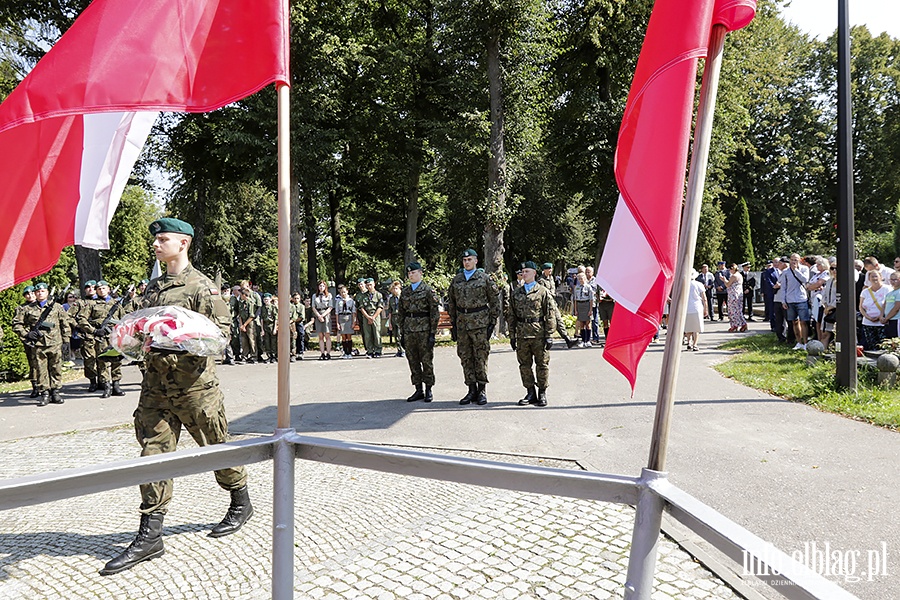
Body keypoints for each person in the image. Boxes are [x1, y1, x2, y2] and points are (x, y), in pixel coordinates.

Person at [99, 218, 252, 576]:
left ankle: (240, 501)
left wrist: (177, 337)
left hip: (195, 388)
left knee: (216, 448)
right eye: (155, 238)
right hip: (155, 387)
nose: (155, 243)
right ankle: (151, 534)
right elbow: (140, 328)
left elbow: (221, 337)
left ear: (183, 243)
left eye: (162, 238)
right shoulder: (152, 289)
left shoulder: (203, 287)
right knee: (152, 456)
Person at [447, 249, 499, 406]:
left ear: (476, 261)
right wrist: (454, 324)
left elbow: (495, 301)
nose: (466, 262)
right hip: (462, 324)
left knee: (480, 356)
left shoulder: (484, 279)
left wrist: (491, 323)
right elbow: (451, 303)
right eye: (464, 260)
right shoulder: (457, 280)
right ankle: (471, 389)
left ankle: (482, 390)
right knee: (465, 357)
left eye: (469, 259)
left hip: (479, 324)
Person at [13, 282, 69, 405]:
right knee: (40, 369)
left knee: (56, 368)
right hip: (38, 344)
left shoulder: (57, 307)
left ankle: (55, 392)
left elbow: (65, 324)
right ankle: (45, 393)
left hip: (55, 342)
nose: (40, 293)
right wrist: (27, 334)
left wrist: (66, 341)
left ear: (47, 292)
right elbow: (17, 324)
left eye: (42, 291)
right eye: (37, 292)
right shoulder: (27, 308)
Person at [508, 262, 555, 407]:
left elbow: (550, 313)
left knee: (542, 365)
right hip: (522, 335)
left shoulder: (542, 291)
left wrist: (549, 334)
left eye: (527, 271)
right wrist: (512, 336)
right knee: (524, 365)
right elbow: (511, 315)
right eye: (522, 271)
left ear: (534, 273)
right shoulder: (516, 293)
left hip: (539, 334)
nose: (524, 274)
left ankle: (542, 392)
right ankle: (530, 392)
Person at [398, 261, 439, 402]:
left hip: (424, 330)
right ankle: (418, 389)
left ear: (420, 273)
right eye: (409, 273)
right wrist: (402, 333)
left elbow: (434, 313)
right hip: (409, 330)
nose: (411, 275)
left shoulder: (428, 291)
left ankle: (429, 389)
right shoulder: (405, 292)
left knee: (426, 360)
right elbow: (401, 313)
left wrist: (432, 334)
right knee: (412, 360)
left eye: (413, 273)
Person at [79, 280, 126, 398]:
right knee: (103, 361)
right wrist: (93, 331)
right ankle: (106, 386)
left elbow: (124, 319)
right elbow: (81, 319)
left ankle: (116, 384)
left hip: (115, 335)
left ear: (109, 289)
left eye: (104, 288)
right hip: (100, 337)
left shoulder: (116, 304)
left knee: (117, 359)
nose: (101, 290)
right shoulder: (91, 304)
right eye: (99, 289)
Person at [537, 262, 578, 348]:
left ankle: (567, 339)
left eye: (551, 269)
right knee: (549, 322)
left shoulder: (551, 278)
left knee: (559, 320)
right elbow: (543, 293)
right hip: (546, 304)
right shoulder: (541, 280)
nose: (550, 270)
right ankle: (547, 339)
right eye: (548, 269)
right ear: (544, 270)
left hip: (553, 303)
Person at [779, 254, 810, 350]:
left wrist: (796, 270)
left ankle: (805, 342)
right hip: (790, 299)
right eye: (792, 260)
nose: (793, 262)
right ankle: (799, 342)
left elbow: (805, 279)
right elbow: (783, 287)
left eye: (795, 260)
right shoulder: (786, 272)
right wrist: (783, 301)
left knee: (803, 321)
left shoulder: (804, 269)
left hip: (801, 298)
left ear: (799, 260)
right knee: (794, 322)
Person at [16, 286, 39, 397]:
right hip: (30, 340)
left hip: (45, 338)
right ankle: (35, 386)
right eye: (27, 294)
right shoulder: (22, 308)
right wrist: (26, 334)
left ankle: (48, 387)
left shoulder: (43, 306)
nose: (30, 296)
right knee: (33, 364)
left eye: (32, 293)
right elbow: (17, 325)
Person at [859, 270, 888, 350]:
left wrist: (880, 316)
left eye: (876, 276)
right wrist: (868, 317)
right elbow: (861, 307)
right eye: (872, 276)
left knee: (883, 345)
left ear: (880, 277)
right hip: (868, 322)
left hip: (882, 322)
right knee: (871, 346)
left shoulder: (887, 289)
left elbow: (889, 305)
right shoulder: (865, 292)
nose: (874, 278)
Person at [359, 278, 384, 358]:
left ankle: (378, 350)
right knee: (367, 334)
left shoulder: (378, 295)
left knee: (377, 333)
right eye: (367, 285)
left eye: (370, 285)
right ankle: (369, 351)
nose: (369, 286)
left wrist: (373, 317)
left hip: (375, 316)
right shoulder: (363, 296)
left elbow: (380, 307)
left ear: (374, 284)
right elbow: (361, 307)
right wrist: (368, 317)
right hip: (366, 316)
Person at [238, 282, 261, 364]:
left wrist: (245, 325)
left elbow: (252, 315)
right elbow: (240, 313)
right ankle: (244, 356)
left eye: (241, 294)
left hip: (250, 322)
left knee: (252, 339)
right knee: (244, 340)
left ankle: (254, 356)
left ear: (244, 295)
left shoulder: (250, 302)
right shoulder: (241, 302)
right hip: (243, 322)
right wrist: (241, 325)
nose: (240, 296)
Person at [685, 270, 708, 351]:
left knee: (688, 327)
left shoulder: (684, 284)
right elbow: (704, 298)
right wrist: (706, 308)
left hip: (686, 307)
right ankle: (695, 344)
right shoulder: (699, 284)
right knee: (696, 328)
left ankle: (689, 342)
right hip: (697, 307)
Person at [312, 280, 334, 360]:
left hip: (326, 314)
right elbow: (313, 307)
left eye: (323, 286)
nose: (321, 287)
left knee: (327, 335)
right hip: (318, 314)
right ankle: (322, 353)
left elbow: (330, 307)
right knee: (320, 336)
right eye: (320, 286)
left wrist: (323, 315)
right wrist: (319, 316)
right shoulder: (315, 296)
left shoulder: (329, 295)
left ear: (325, 287)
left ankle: (328, 353)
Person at [572, 272, 595, 347]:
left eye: (582, 278)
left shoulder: (588, 287)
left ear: (585, 279)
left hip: (586, 304)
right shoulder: (577, 288)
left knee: (588, 324)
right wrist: (575, 309)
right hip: (579, 305)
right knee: (581, 324)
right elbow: (575, 299)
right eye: (579, 279)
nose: (581, 280)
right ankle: (583, 340)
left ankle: (588, 340)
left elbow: (591, 299)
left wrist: (590, 309)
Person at [334, 284, 357, 358]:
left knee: (349, 336)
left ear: (347, 291)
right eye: (341, 292)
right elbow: (337, 312)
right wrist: (337, 323)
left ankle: (349, 352)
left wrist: (354, 322)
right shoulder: (338, 301)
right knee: (343, 336)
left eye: (344, 292)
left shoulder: (351, 301)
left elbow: (353, 312)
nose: (343, 294)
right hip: (341, 318)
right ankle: (345, 352)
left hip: (349, 317)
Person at [820, 264, 838, 349]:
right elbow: (824, 295)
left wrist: (831, 307)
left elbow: (840, 297)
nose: (834, 270)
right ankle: (822, 353)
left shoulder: (843, 282)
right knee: (825, 333)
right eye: (832, 268)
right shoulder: (829, 281)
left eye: (836, 268)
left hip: (837, 311)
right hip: (827, 310)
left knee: (837, 334)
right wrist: (826, 306)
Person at [385, 281, 404, 357]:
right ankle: (399, 350)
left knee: (400, 335)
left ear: (399, 289)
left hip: (400, 317)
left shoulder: (402, 298)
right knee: (395, 335)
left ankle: (403, 350)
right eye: (393, 289)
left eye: (396, 288)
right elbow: (389, 311)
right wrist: (389, 322)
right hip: (393, 318)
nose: (394, 290)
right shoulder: (391, 299)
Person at [726, 264, 747, 333]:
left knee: (733, 310)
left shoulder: (734, 276)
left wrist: (724, 280)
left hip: (733, 294)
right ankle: (741, 323)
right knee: (738, 310)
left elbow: (728, 284)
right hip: (738, 294)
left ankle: (735, 325)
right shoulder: (739, 275)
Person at [880, 272, 900, 339]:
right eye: (891, 280)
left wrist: (887, 318)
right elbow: (884, 305)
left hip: (896, 320)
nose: (892, 282)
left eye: (895, 280)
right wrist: (881, 316)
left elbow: (896, 308)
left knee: (896, 339)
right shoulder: (890, 293)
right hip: (888, 320)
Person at [260, 293, 278, 363]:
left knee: (273, 341)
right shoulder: (263, 308)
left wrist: (274, 328)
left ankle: (274, 356)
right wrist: (262, 329)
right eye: (264, 299)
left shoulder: (273, 307)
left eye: (267, 299)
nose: (266, 301)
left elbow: (276, 318)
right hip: (265, 326)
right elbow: (261, 319)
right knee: (267, 342)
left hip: (272, 325)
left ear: (270, 300)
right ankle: (269, 356)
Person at [289, 292, 305, 361]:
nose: (296, 300)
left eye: (297, 298)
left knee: (300, 336)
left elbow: (301, 317)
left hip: (298, 323)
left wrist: (294, 320)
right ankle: (293, 352)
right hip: (291, 324)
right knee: (293, 338)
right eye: (295, 298)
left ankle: (300, 352)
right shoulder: (290, 306)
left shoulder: (301, 306)